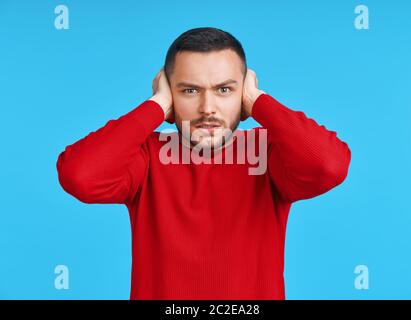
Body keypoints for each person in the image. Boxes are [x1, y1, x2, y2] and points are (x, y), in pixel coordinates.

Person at [56, 27, 351, 300]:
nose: (207, 108)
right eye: (189, 90)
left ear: (242, 95)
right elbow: (79, 175)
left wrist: (258, 100)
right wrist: (155, 108)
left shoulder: (268, 152)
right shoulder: (145, 156)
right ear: (170, 95)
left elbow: (329, 165)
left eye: (224, 90)